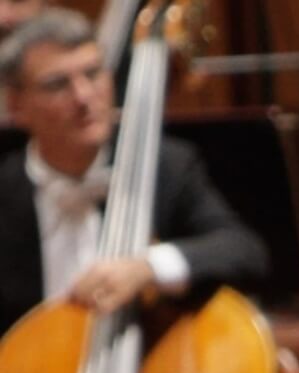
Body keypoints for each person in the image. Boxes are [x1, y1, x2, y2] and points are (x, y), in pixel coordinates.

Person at [0, 8, 269, 338]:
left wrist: (148, 267)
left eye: (93, 73)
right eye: (57, 85)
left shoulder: (166, 166)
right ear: (15, 105)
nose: (84, 97)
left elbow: (242, 250)